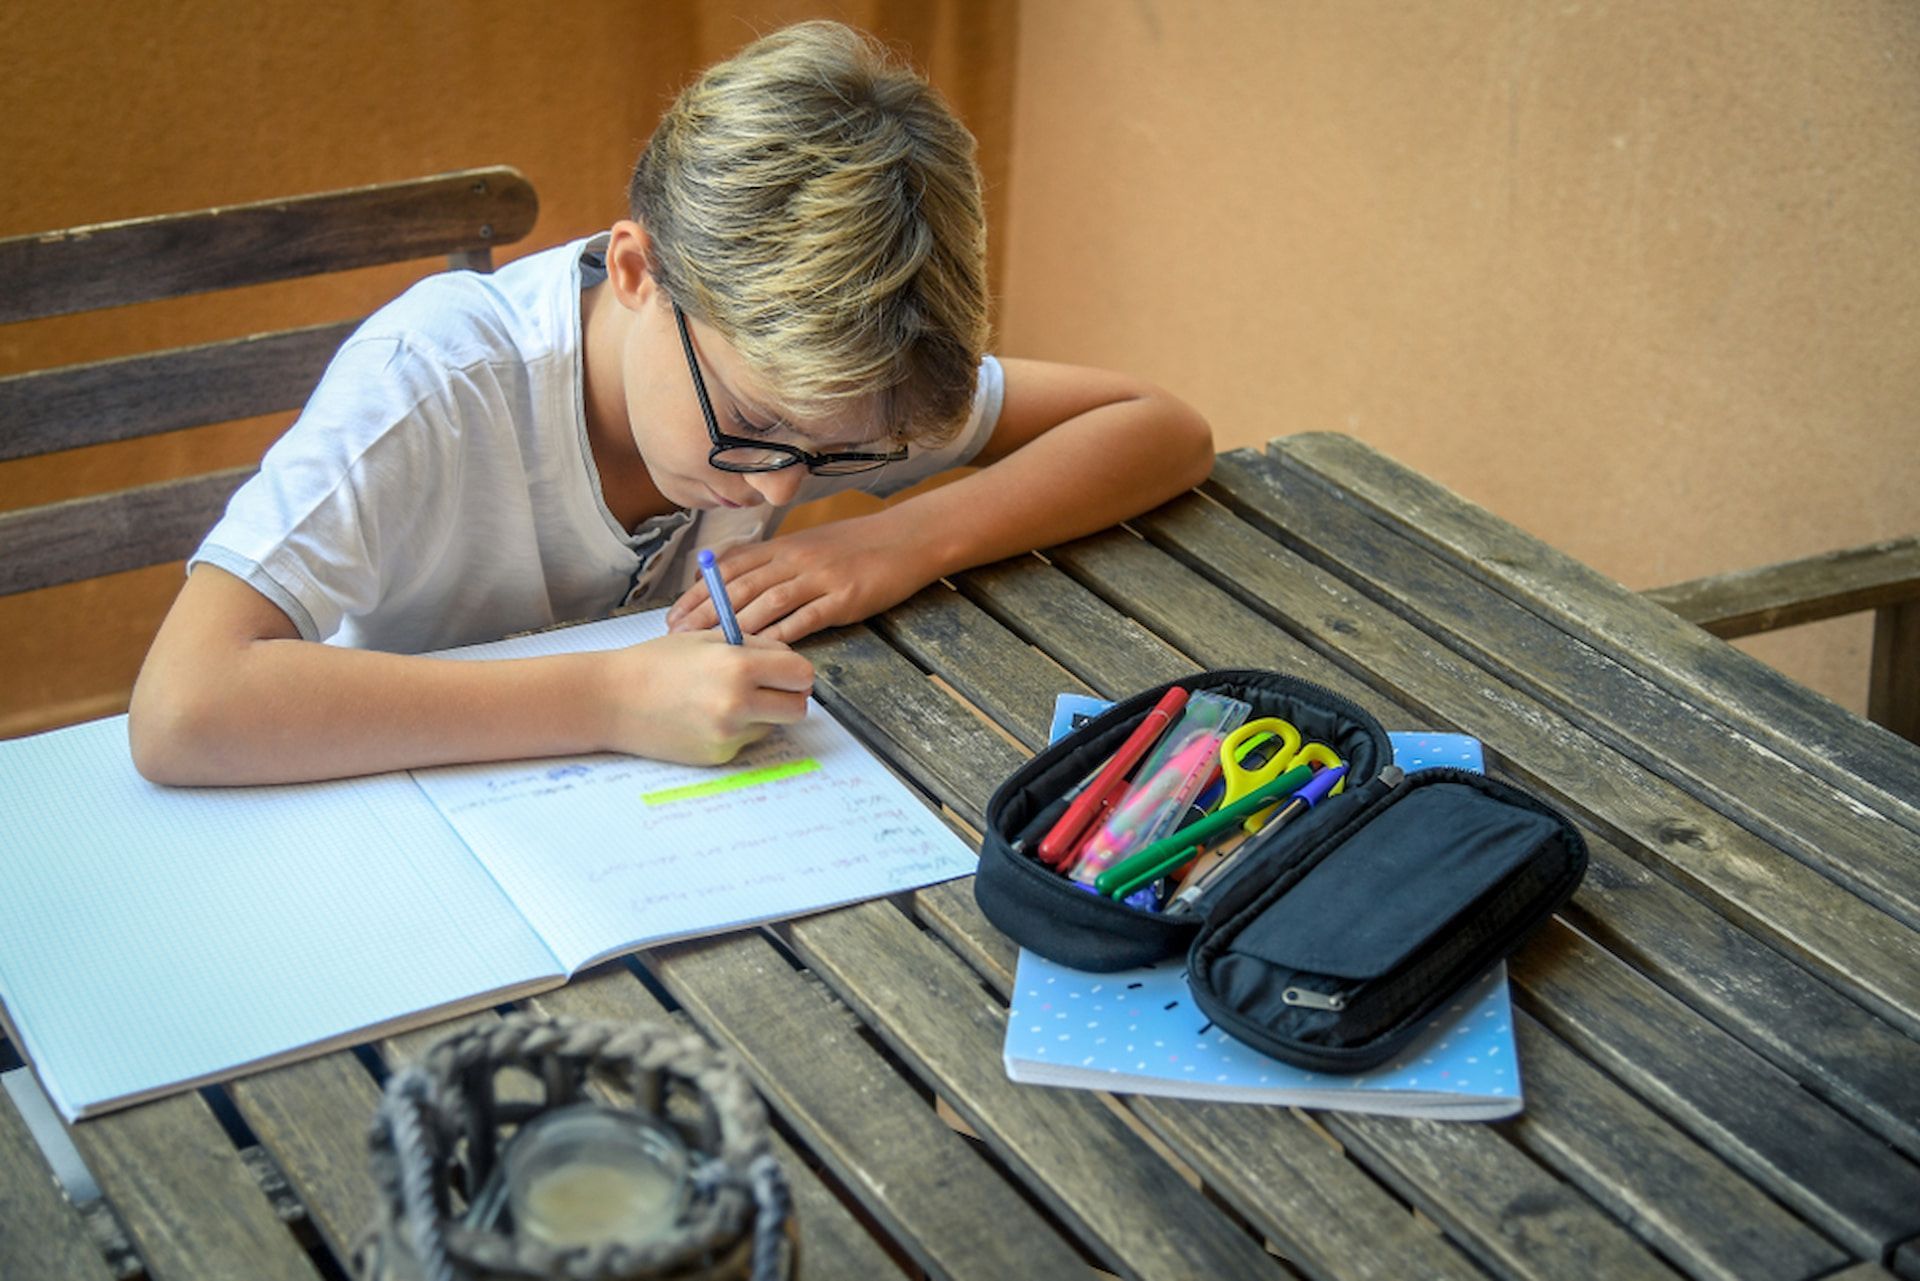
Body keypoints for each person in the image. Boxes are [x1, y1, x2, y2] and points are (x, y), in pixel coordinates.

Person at [128, 21, 1212, 786]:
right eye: (751, 428)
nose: (781, 483)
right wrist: (604, 700)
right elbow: (183, 709)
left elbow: (1159, 427)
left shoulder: (812, 389)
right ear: (637, 271)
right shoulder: (437, 380)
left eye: (836, 456)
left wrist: (903, 537)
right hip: (405, 821)